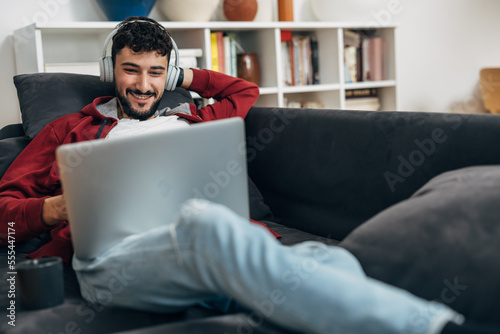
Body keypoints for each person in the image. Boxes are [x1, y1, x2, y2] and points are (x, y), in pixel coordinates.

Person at [0, 16, 491, 334]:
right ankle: (438, 328)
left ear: (168, 76)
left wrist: (186, 76)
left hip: (212, 242)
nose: (144, 85)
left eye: (156, 72)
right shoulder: (72, 129)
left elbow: (243, 90)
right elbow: (4, 212)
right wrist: (57, 208)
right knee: (207, 229)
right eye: (131, 70)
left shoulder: (190, 120)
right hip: (114, 255)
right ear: (112, 69)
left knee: (327, 259)